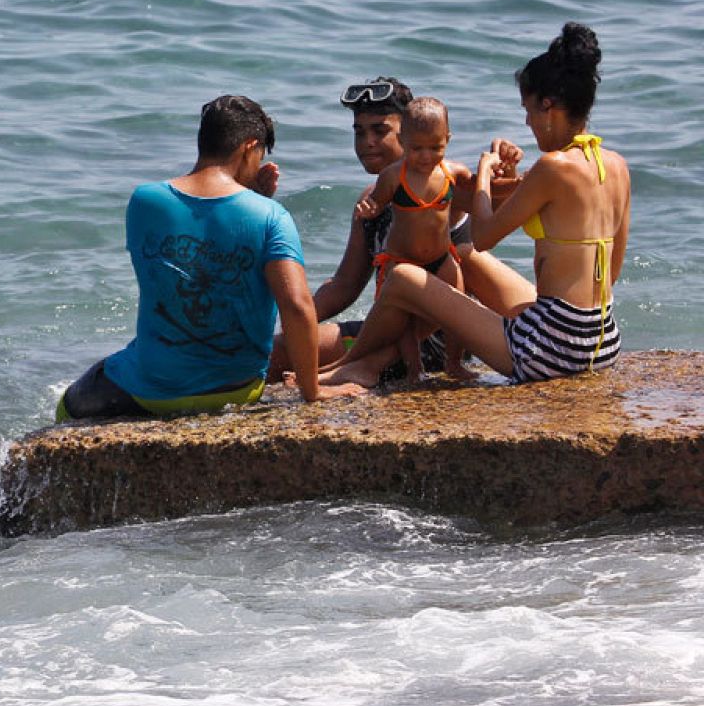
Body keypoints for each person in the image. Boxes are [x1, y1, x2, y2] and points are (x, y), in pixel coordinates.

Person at [320, 23, 627, 386]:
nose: (527, 122)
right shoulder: (615, 164)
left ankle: (361, 364)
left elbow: (483, 236)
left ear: (548, 107)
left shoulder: (552, 166)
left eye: (529, 111)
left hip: (550, 352)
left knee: (402, 277)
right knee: (462, 256)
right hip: (603, 341)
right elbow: (613, 271)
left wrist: (484, 171)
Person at [55, 95, 363, 423]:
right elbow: (297, 307)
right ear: (249, 148)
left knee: (67, 406)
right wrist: (312, 390)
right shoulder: (271, 216)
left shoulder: (145, 201)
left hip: (153, 388)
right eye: (260, 156)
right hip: (237, 387)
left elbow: (179, 266)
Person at [352, 97, 475, 380]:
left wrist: (504, 175)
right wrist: (369, 209)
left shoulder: (453, 172)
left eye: (435, 148)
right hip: (402, 261)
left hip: (441, 257)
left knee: (459, 307)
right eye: (416, 148)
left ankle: (454, 362)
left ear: (448, 140)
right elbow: (377, 202)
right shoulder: (394, 176)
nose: (426, 156)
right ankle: (414, 368)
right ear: (402, 140)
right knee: (405, 324)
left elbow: (481, 190)